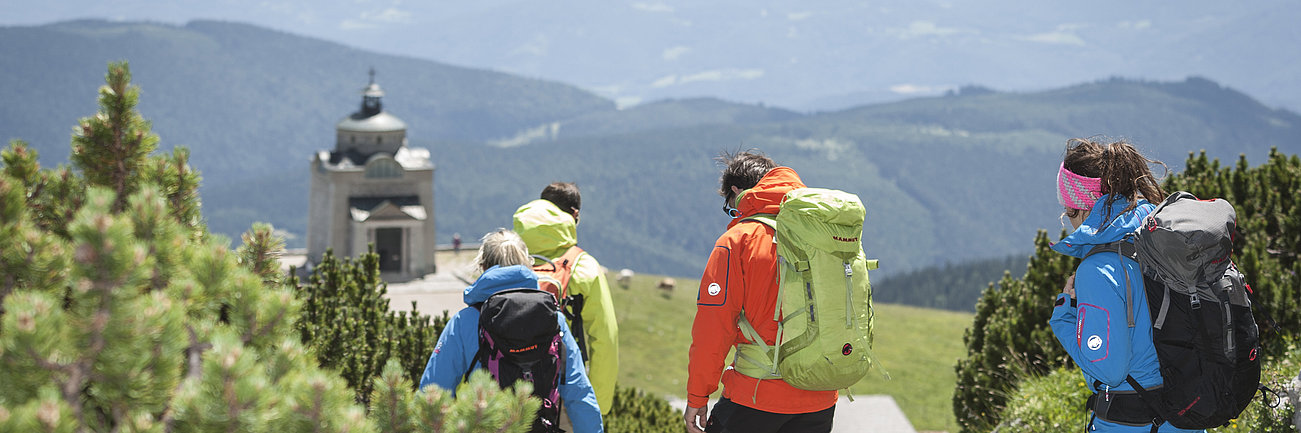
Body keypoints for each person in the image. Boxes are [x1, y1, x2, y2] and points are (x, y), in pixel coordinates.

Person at [1047, 138, 1200, 432]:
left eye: (1067, 208)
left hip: (1133, 423)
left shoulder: (1096, 270)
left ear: (1078, 206)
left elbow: (1108, 370)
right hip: (1186, 416)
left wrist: (1064, 318)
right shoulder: (1156, 236)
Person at [684, 151, 837, 433]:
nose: (735, 216)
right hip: (820, 396)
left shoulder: (739, 239)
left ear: (736, 192)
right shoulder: (825, 232)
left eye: (733, 209)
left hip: (756, 396)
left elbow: (713, 328)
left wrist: (698, 395)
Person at [418, 229, 603, 432]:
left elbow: (432, 394)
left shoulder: (466, 321)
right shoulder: (554, 318)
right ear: (527, 265)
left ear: (483, 267)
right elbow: (579, 394)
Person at [513, 182, 619, 417]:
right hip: (563, 395)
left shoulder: (506, 259)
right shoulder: (584, 266)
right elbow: (604, 339)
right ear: (575, 215)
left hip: (506, 393)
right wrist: (597, 406)